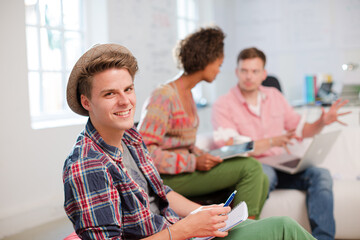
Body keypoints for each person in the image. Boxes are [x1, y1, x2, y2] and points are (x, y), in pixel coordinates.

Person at [63, 43, 316, 239]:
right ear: (87, 102)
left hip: (178, 229)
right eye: (110, 94)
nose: (125, 101)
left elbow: (161, 193)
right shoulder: (88, 165)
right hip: (178, 233)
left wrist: (202, 213)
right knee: (283, 227)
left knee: (267, 223)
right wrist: (187, 228)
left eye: (128, 89)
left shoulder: (130, 137)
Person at [211, 47, 351, 240]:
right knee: (263, 175)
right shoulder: (223, 104)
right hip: (256, 167)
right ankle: (248, 233)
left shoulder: (275, 96)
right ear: (237, 72)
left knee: (321, 175)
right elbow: (230, 148)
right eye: (244, 71)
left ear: (264, 74)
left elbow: (301, 129)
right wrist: (271, 142)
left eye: (255, 71)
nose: (249, 76)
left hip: (283, 164)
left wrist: (322, 122)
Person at [138, 27, 268, 219]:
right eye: (218, 64)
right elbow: (144, 153)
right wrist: (194, 162)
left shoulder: (189, 94)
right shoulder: (164, 95)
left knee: (262, 178)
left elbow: (185, 145)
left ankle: (240, 228)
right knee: (251, 168)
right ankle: (246, 233)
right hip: (166, 179)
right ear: (206, 60)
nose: (219, 70)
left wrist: (207, 156)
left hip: (184, 172)